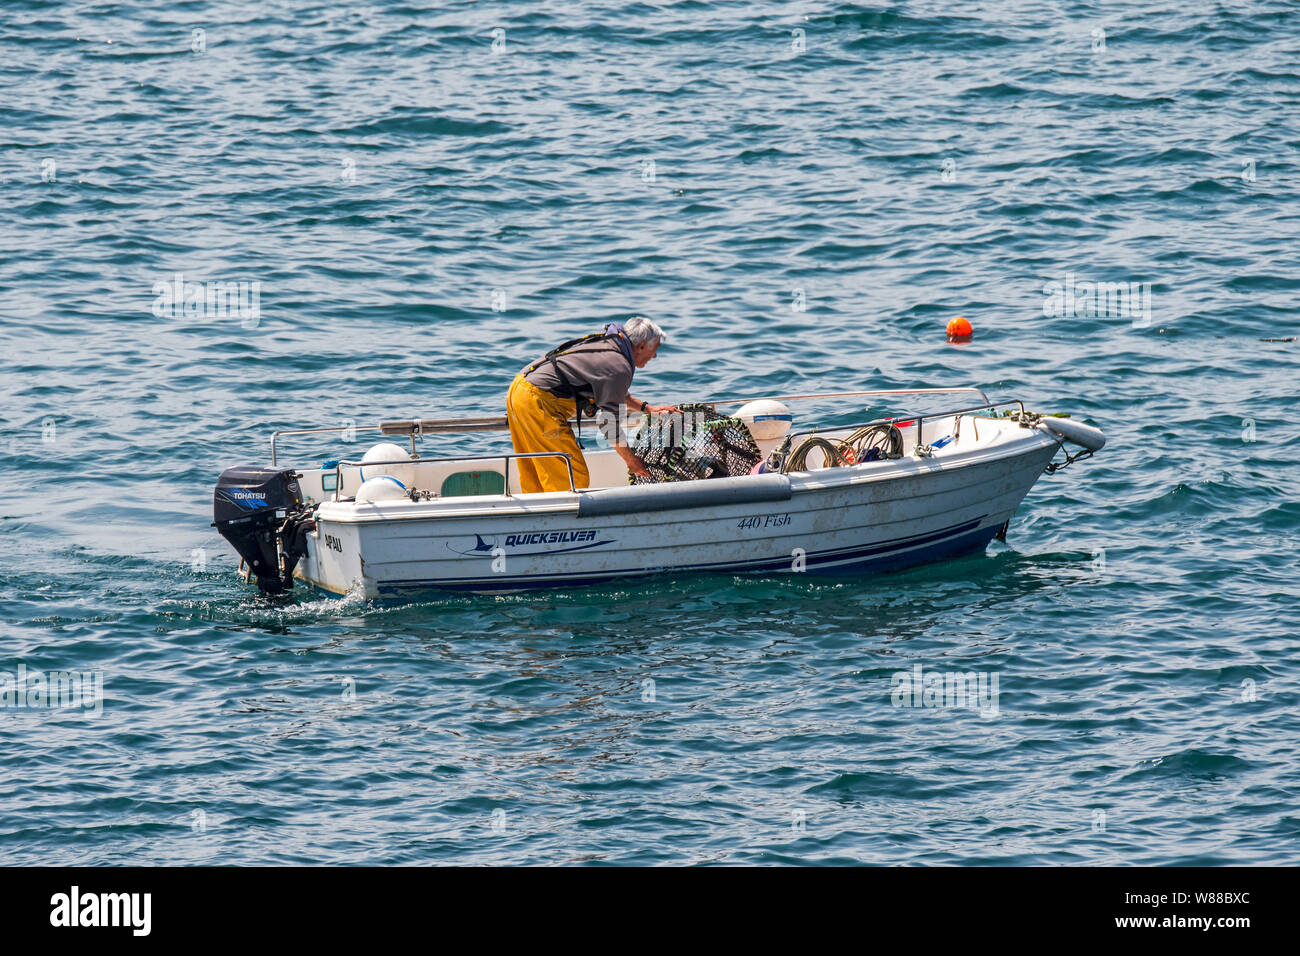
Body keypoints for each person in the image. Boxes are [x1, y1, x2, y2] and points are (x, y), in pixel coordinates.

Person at [506, 316, 676, 493]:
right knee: (572, 476)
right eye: (655, 349)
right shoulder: (619, 367)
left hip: (519, 391)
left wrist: (647, 409)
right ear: (641, 346)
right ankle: (564, 518)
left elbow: (613, 393)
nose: (655, 356)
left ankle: (538, 517)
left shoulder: (609, 346)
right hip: (537, 401)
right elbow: (608, 424)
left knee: (534, 474)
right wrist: (631, 461)